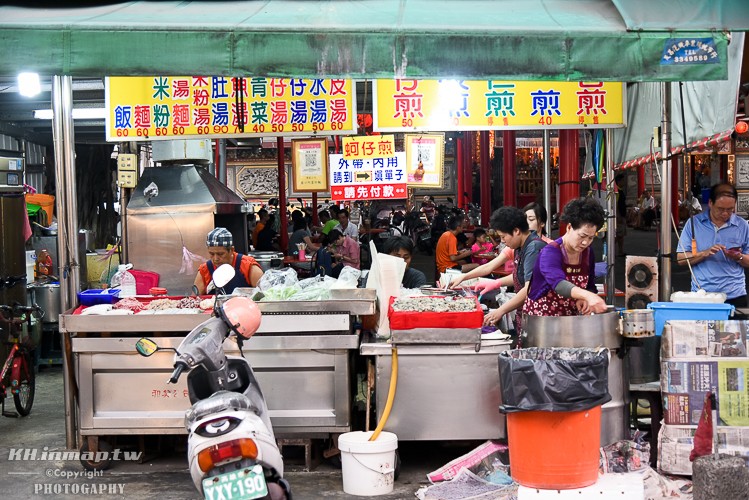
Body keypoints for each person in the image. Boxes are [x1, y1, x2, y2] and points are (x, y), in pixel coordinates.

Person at [523, 197, 608, 318]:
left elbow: (589, 285)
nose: (585, 242)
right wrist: (587, 296)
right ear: (569, 227)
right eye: (582, 236)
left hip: (571, 320)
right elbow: (559, 284)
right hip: (542, 320)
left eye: (590, 238)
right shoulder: (550, 252)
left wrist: (583, 299)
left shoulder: (587, 253)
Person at [677, 183, 749, 307]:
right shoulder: (694, 224)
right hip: (702, 295)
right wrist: (703, 254)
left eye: (730, 209)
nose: (726, 213)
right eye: (721, 209)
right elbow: (681, 259)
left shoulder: (742, 225)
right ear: (710, 203)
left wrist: (738, 257)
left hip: (735, 294)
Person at [476, 207, 547, 331]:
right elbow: (519, 275)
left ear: (516, 231)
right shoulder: (521, 246)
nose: (502, 241)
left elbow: (529, 288)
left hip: (539, 315)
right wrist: (495, 283)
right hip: (527, 312)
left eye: (503, 237)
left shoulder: (534, 248)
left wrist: (500, 311)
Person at [194, 227, 263, 294]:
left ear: (232, 250)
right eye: (211, 254)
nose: (215, 259)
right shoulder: (205, 270)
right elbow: (194, 300)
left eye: (220, 254)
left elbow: (265, 297)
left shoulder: (248, 267)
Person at [614, 174, 627, 256]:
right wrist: (618, 215)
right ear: (618, 181)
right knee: (617, 234)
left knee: (621, 235)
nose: (624, 182)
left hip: (622, 215)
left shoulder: (620, 190)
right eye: (622, 180)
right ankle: (610, 250)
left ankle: (620, 251)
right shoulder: (616, 191)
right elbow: (616, 204)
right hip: (619, 216)